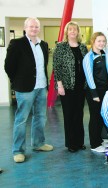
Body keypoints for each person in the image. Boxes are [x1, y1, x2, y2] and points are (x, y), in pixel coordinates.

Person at [4, 17, 53, 163]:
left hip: (41, 86)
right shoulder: (17, 44)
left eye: (36, 27)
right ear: (25, 28)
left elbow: (43, 66)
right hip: (25, 89)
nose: (34, 29)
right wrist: (16, 82)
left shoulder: (43, 45)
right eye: (31, 26)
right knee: (21, 119)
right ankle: (18, 151)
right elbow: (9, 67)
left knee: (40, 117)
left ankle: (38, 143)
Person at [53, 21, 88, 153]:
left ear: (78, 32)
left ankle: (79, 142)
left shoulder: (83, 47)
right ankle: (71, 144)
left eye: (75, 29)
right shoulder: (61, 47)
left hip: (81, 87)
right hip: (66, 87)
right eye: (70, 29)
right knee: (69, 115)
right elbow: (57, 67)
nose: (73, 31)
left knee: (79, 115)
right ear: (66, 32)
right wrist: (59, 85)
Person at [83, 32, 108, 153]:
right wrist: (94, 94)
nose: (101, 43)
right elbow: (89, 77)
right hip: (94, 92)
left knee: (102, 115)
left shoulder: (104, 54)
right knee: (95, 117)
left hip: (105, 90)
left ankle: (100, 139)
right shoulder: (89, 57)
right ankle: (94, 144)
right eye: (99, 41)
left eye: (103, 41)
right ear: (93, 42)